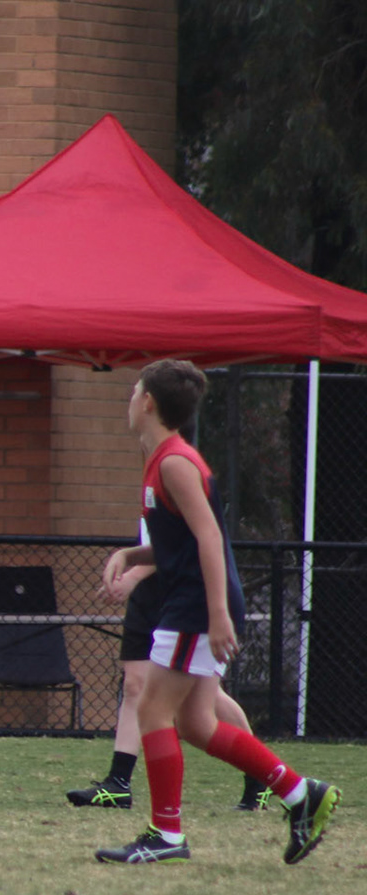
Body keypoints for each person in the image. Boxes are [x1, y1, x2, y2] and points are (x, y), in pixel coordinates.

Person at [95, 359, 338, 864]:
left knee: (152, 709)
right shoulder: (162, 459)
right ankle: (301, 794)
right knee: (197, 724)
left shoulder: (174, 462)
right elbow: (180, 543)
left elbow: (210, 537)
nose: (130, 399)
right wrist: (131, 555)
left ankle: (166, 835)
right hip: (193, 602)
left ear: (148, 403)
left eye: (134, 391)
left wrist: (217, 613)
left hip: (193, 606)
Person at [67, 548, 269, 812]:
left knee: (200, 707)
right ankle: (118, 782)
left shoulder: (192, 519)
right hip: (148, 596)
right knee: (135, 685)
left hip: (183, 594)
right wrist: (127, 557)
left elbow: (184, 543)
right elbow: (159, 541)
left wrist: (132, 572)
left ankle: (263, 774)